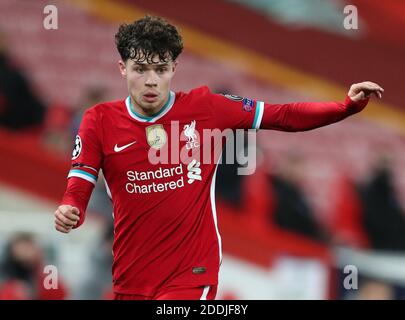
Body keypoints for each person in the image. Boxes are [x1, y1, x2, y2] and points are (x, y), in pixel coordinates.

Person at [54, 15, 384, 300]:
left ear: (174, 68)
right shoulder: (99, 119)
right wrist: (73, 205)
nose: (151, 80)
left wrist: (346, 106)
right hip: (130, 274)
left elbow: (282, 116)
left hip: (192, 270)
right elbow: (82, 173)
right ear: (122, 68)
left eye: (160, 68)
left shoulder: (207, 108)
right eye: (140, 69)